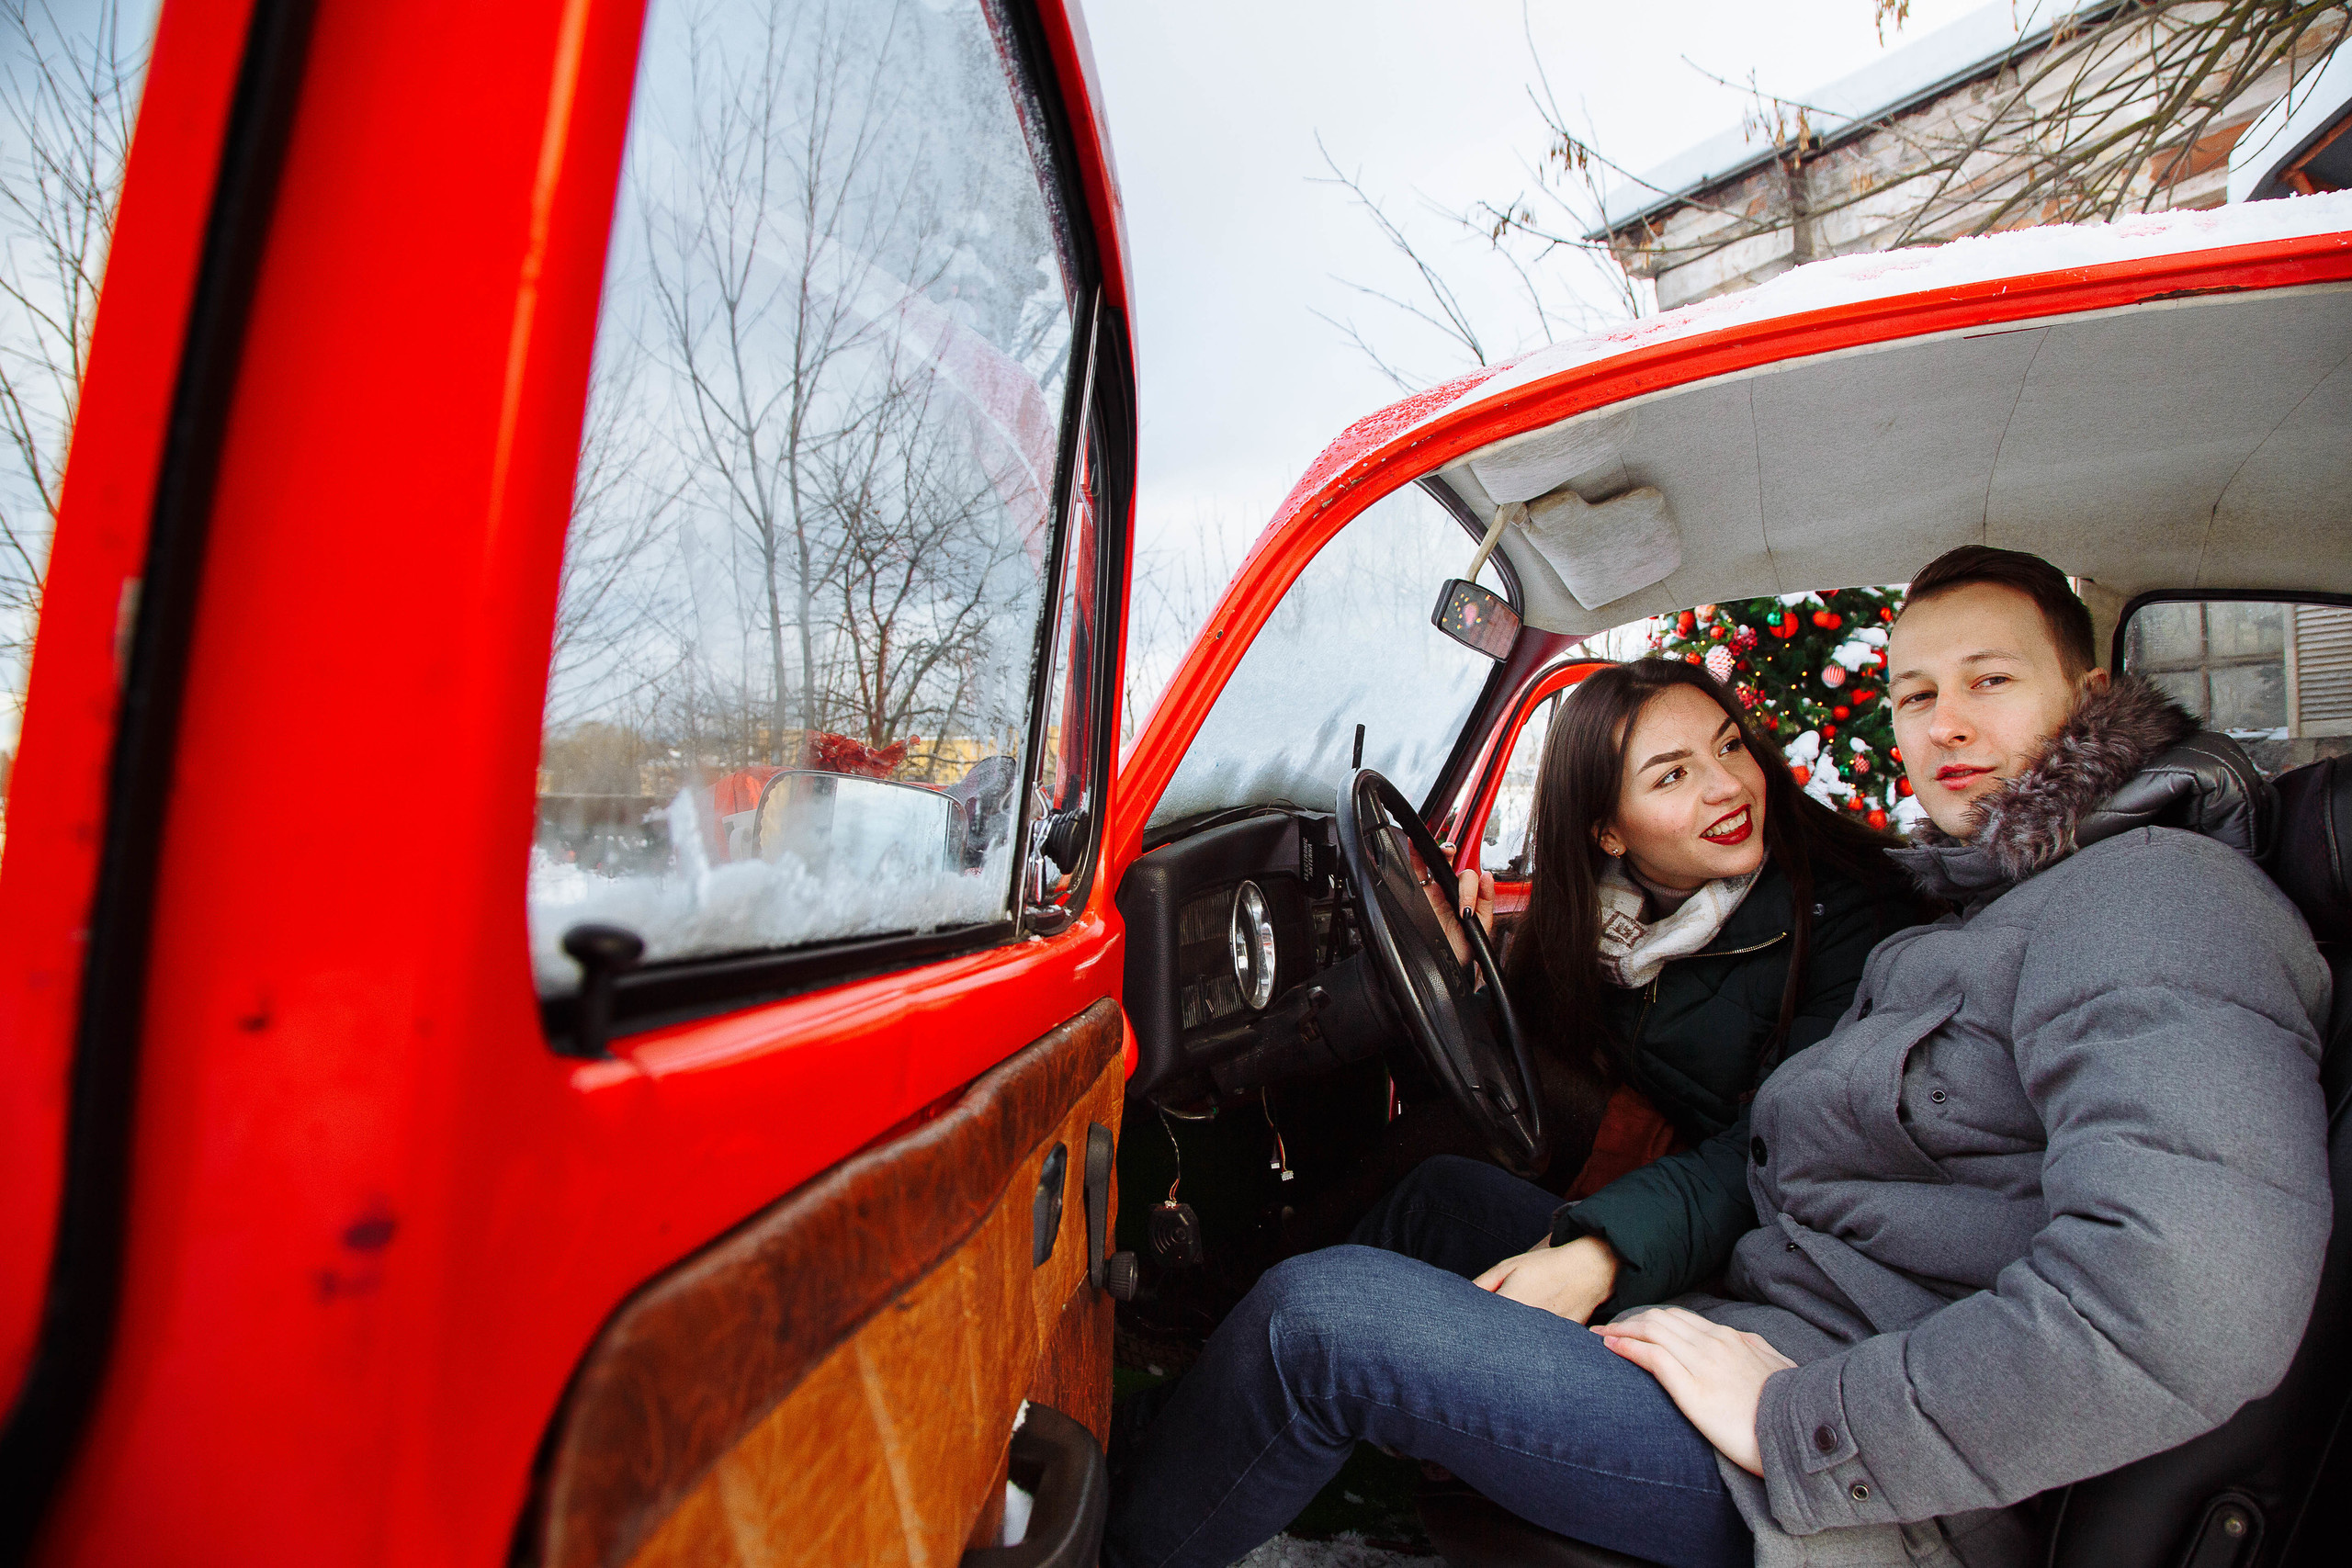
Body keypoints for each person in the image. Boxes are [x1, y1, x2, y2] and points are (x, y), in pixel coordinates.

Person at [1103, 546, 2332, 1568]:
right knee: (1436, 1200)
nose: (1944, 725)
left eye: (1991, 679)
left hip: (1855, 1470)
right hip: (1776, 1313)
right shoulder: (1997, 902)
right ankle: (1198, 1445)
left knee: (1315, 1325)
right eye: (1911, 694)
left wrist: (1801, 1419)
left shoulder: (2157, 902)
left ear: (2092, 688)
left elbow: (2189, 1302)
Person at [1278, 658, 1925, 1283]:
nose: (1727, 785)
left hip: (1743, 1227)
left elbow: (1778, 1152)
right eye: (1672, 776)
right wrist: (1459, 981)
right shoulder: (1592, 919)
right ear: (1609, 833)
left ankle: (1231, 1304)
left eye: (1728, 747)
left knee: (1433, 1190)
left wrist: (1601, 1253)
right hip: (1659, 1177)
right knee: (1417, 1133)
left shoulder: (1849, 921)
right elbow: (1500, 1089)